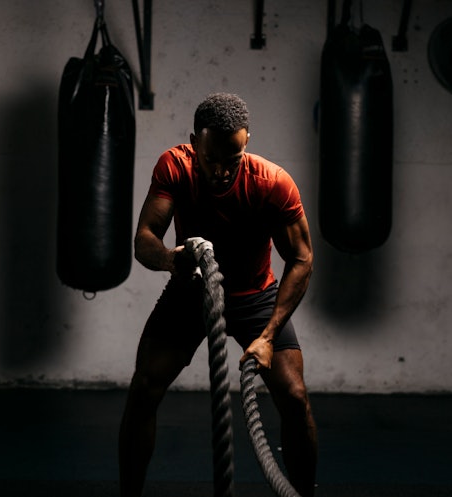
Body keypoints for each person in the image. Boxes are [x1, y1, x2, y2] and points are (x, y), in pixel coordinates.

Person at [119, 92, 317, 496]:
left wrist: (267, 335)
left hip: (255, 297)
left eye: (233, 160)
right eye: (212, 160)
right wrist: (171, 260)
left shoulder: (272, 183)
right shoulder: (175, 166)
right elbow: (144, 240)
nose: (223, 171)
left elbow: (302, 259)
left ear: (247, 142)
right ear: (195, 143)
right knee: (143, 389)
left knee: (295, 397)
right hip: (189, 288)